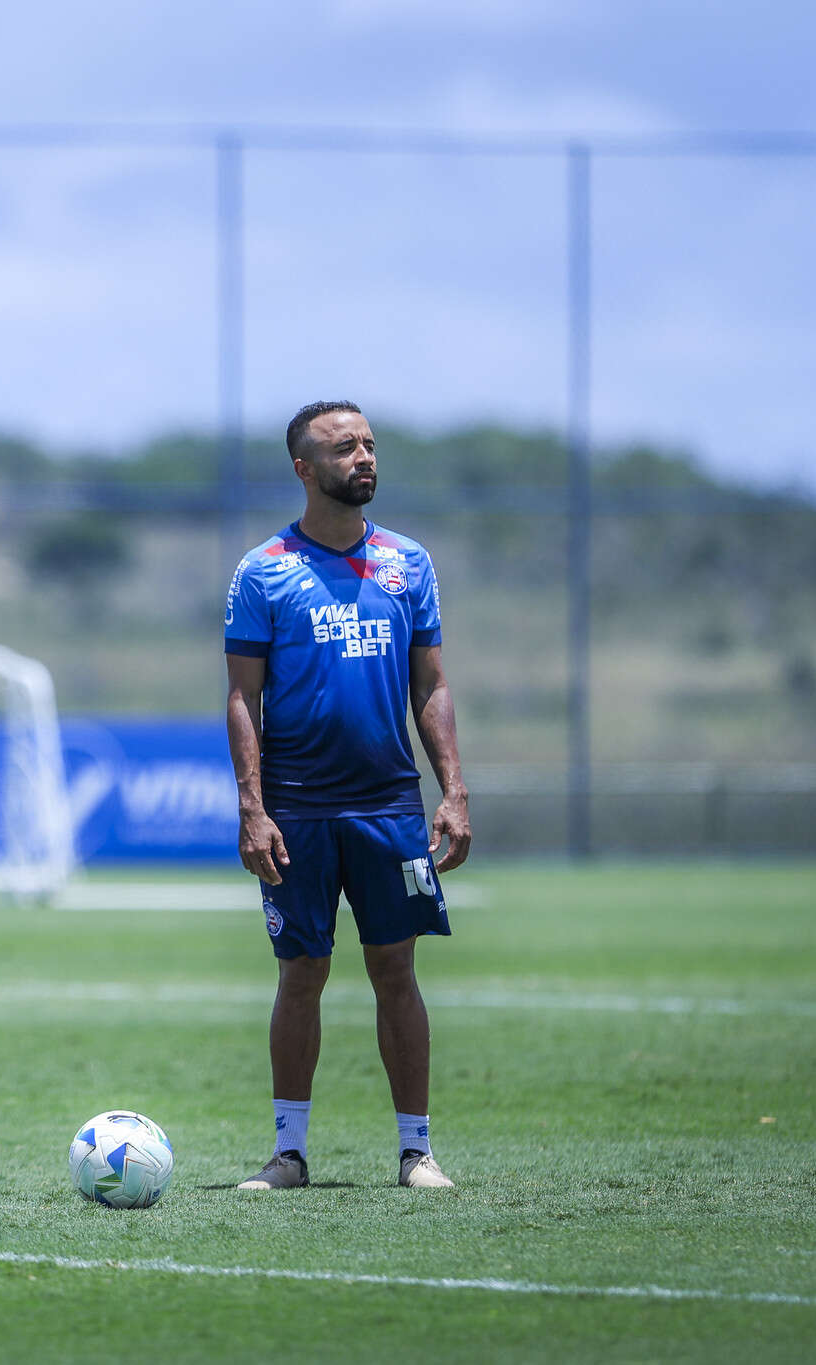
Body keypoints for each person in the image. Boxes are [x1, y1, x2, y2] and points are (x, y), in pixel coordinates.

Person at [224, 400, 471, 1191]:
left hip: (387, 804)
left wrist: (452, 790)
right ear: (304, 468)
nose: (363, 457)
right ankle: (288, 1154)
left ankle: (416, 1152)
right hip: (295, 807)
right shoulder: (263, 569)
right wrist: (252, 807)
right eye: (343, 448)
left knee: (394, 971)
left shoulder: (408, 563)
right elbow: (241, 696)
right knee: (301, 971)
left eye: (368, 444)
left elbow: (429, 683)